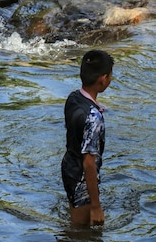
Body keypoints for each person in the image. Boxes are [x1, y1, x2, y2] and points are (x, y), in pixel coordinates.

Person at [61, 49, 114, 227]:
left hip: (68, 167)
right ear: (103, 79)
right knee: (81, 232)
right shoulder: (94, 117)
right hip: (81, 178)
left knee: (74, 223)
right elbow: (89, 163)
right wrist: (96, 206)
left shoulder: (73, 97)